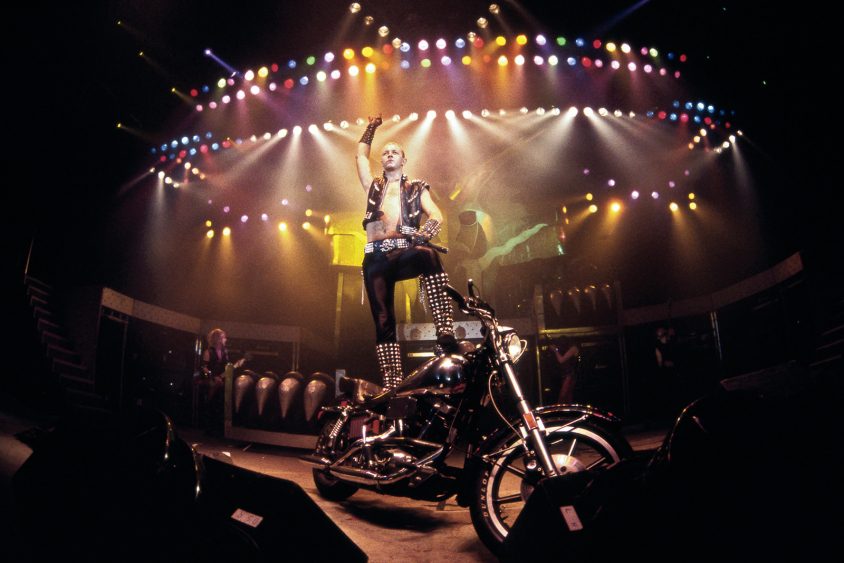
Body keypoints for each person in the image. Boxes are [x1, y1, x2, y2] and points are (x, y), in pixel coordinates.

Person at [355, 114, 456, 389]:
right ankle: (392, 382)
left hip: (403, 252)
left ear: (403, 159)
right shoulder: (373, 186)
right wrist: (371, 127)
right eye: (385, 152)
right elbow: (360, 156)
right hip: (375, 257)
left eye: (394, 152)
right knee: (384, 319)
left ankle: (444, 328)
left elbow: (436, 214)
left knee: (427, 254)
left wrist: (426, 232)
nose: (388, 155)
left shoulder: (416, 188)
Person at [197, 327, 229, 434]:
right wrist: (212, 376)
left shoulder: (225, 352)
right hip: (210, 381)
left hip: (221, 380)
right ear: (218, 339)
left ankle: (217, 428)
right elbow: (204, 367)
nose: (226, 339)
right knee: (210, 404)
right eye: (224, 337)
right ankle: (208, 428)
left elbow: (227, 367)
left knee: (219, 404)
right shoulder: (208, 352)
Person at [550, 337, 581, 404]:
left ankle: (563, 410)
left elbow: (561, 360)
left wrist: (555, 350)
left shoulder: (573, 348)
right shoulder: (569, 348)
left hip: (570, 374)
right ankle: (566, 411)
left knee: (564, 395)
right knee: (567, 395)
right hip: (567, 373)